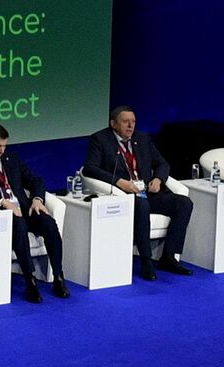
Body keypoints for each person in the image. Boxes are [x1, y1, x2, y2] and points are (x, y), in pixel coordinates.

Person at [82, 106, 194, 281]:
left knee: (184, 203)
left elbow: (162, 164)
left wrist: (158, 179)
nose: (130, 126)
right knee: (142, 205)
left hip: (148, 192)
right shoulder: (100, 139)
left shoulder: (142, 139)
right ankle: (146, 260)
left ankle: (169, 256)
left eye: (133, 122)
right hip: (123, 196)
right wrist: (119, 182)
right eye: (125, 122)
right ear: (113, 124)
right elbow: (89, 168)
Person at [0, 123, 69, 302]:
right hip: (2, 213)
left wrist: (37, 199)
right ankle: (30, 280)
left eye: (4, 146)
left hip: (25, 208)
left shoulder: (12, 159)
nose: (1, 150)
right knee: (19, 225)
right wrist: (2, 201)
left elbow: (35, 180)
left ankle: (58, 276)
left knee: (49, 223)